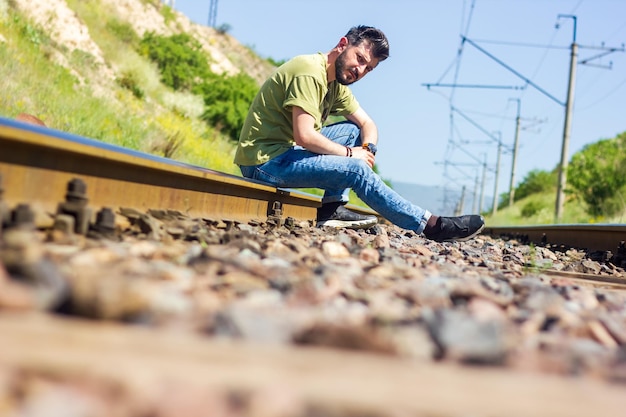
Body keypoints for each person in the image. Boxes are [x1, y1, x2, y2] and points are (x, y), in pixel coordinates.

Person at [234, 25, 484, 242]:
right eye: (360, 59)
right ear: (343, 44)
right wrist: (351, 155)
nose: (361, 71)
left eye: (369, 69)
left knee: (353, 131)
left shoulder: (336, 83)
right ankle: (430, 225)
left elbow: (368, 125)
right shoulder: (309, 71)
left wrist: (366, 150)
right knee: (355, 168)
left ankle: (332, 209)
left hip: (285, 153)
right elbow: (305, 136)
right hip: (264, 162)